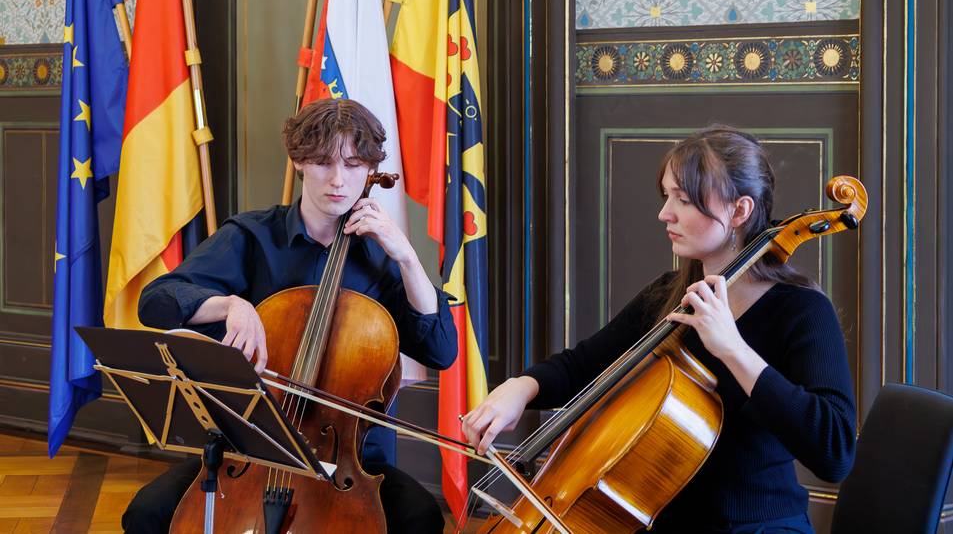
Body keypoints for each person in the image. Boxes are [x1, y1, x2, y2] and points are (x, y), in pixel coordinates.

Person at [462, 126, 856, 534]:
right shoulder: (669, 294)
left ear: (739, 211)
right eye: (667, 196)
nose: (665, 213)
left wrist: (733, 349)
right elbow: (582, 366)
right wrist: (521, 387)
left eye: (683, 200)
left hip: (757, 526)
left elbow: (834, 453)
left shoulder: (803, 311)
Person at [122, 98, 455, 533]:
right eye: (322, 162)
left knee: (420, 519)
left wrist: (408, 258)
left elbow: (441, 350)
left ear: (371, 169)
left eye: (353, 165)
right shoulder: (252, 236)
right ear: (298, 161)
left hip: (350, 462)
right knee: (147, 513)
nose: (338, 180)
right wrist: (230, 304)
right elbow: (156, 300)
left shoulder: (382, 256)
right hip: (250, 451)